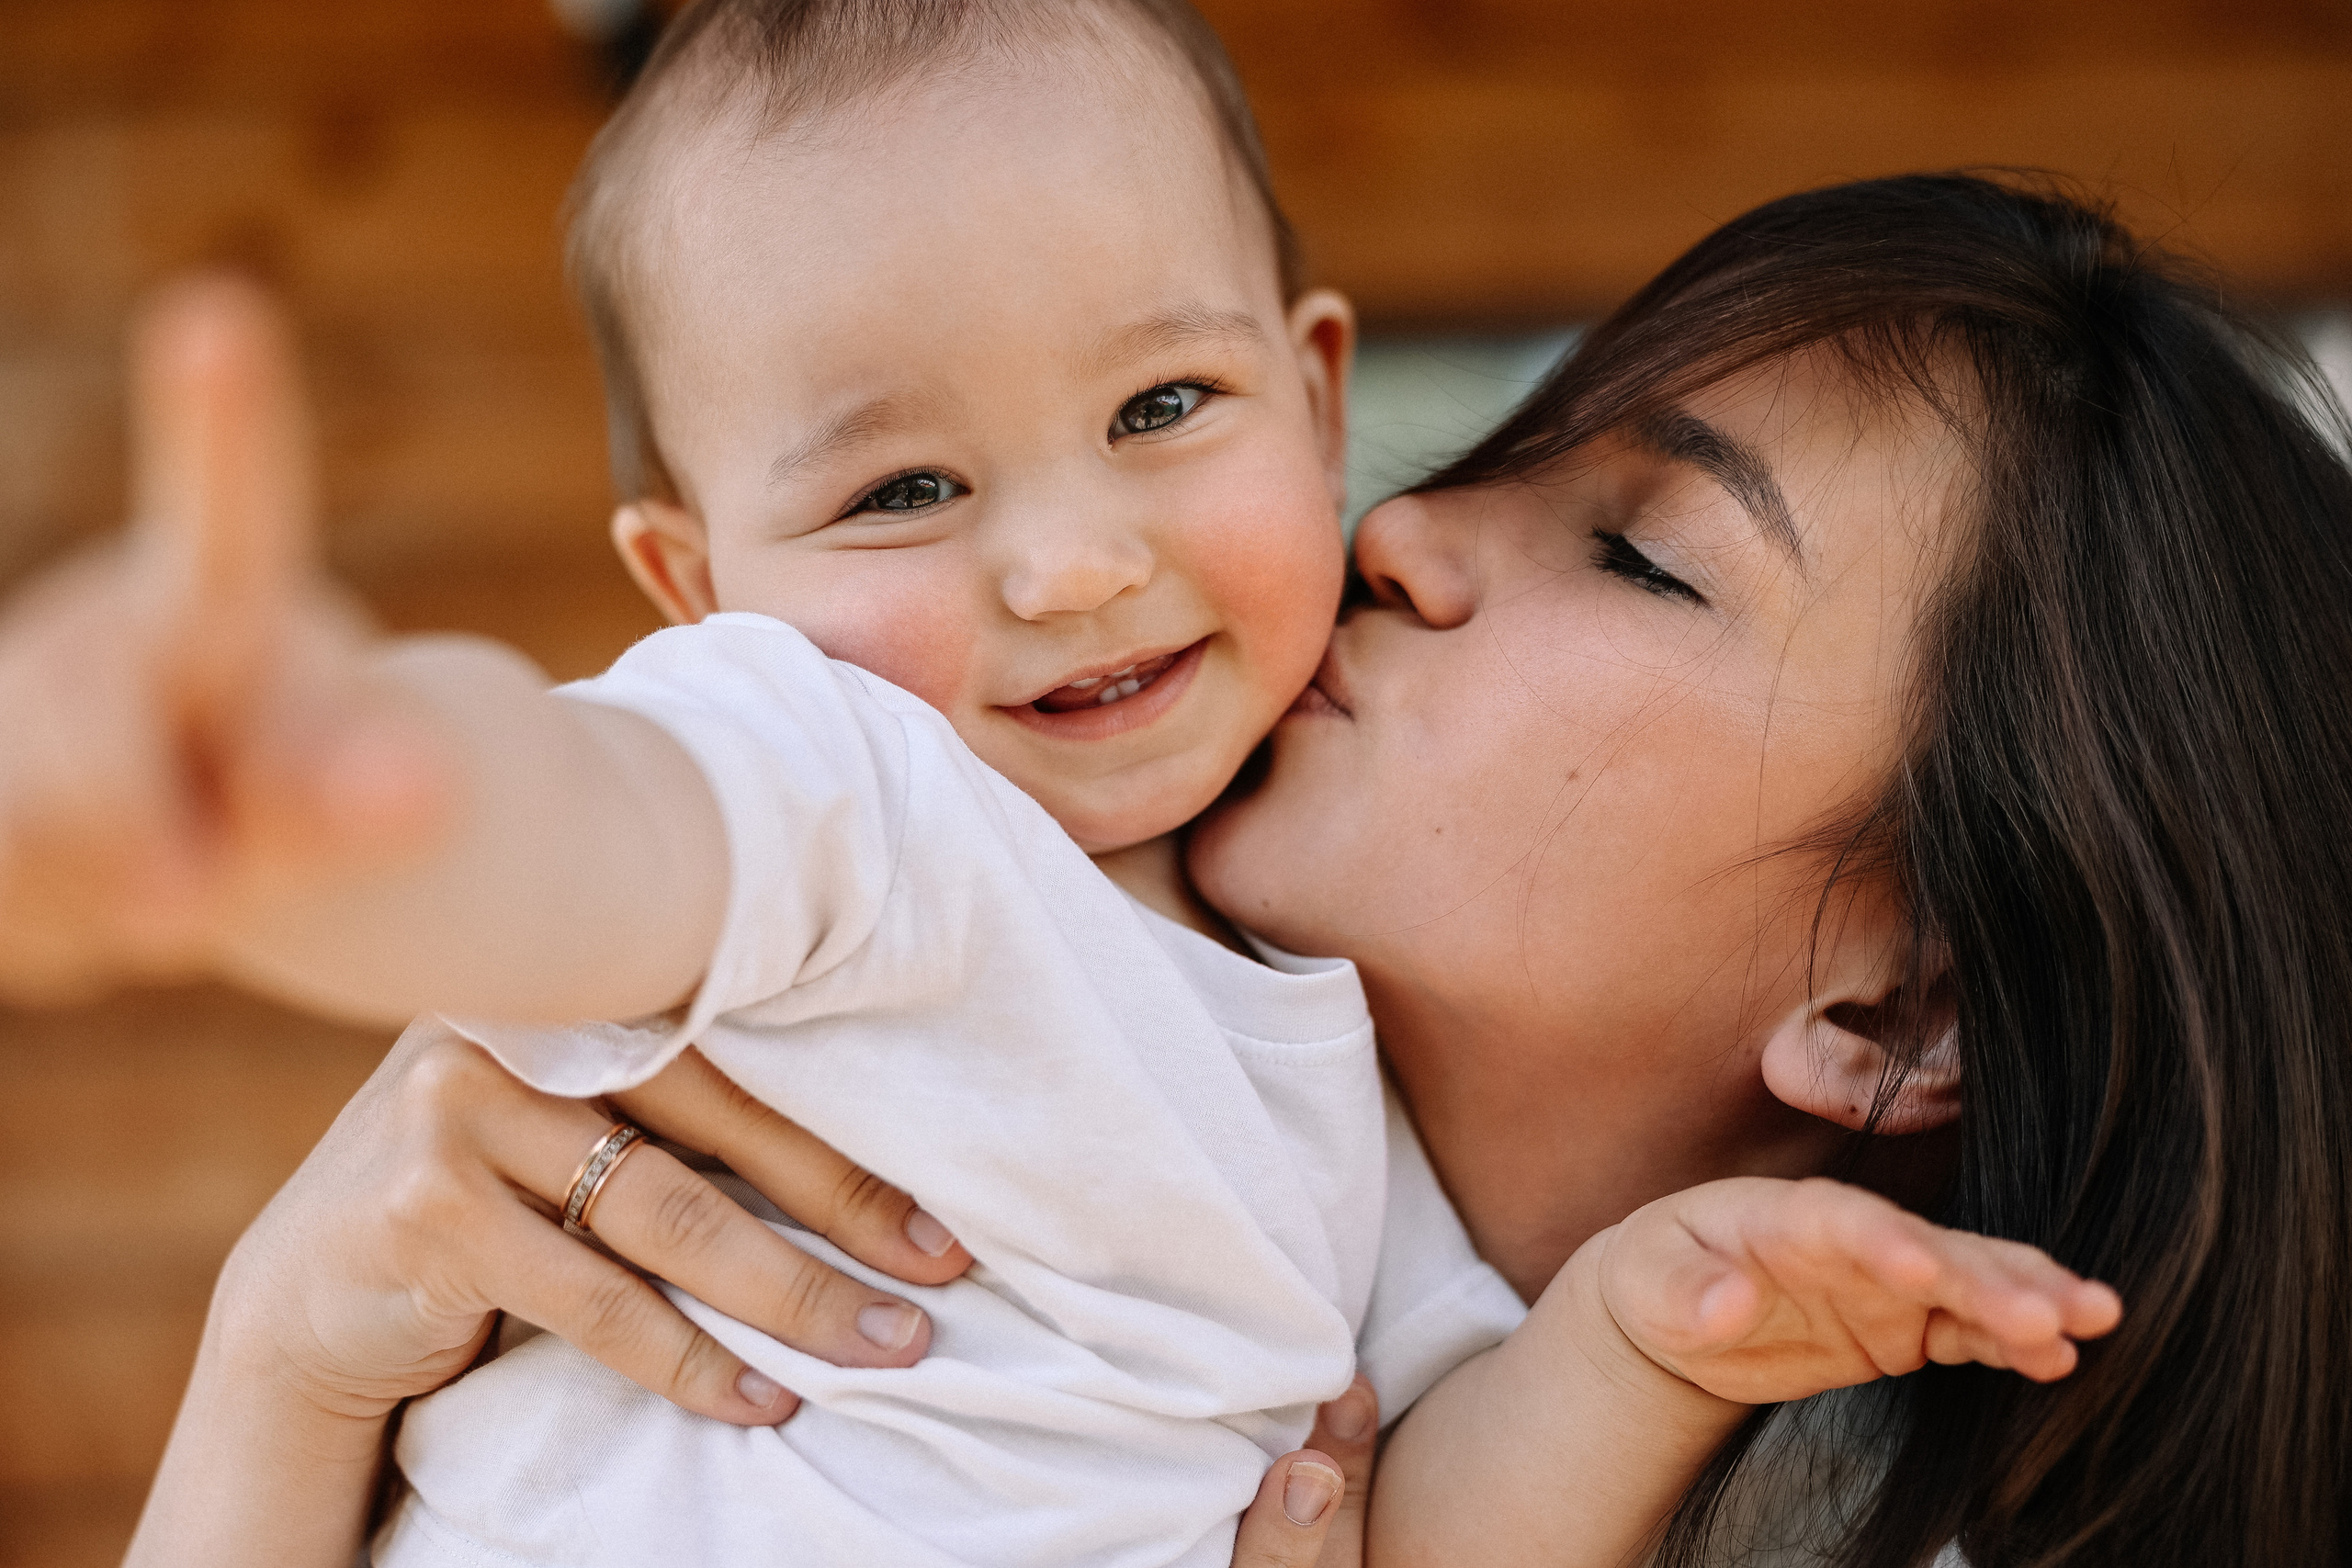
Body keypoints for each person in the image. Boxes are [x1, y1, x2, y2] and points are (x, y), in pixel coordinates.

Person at [0, 0, 2111, 1562]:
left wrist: (1638, 1346)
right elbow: (583, 824)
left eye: (1161, 403)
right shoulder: (851, 802)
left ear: (1315, 390)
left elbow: (1405, 1513)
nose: (1069, 559)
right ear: (698, 583)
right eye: (904, 484)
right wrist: (323, 785)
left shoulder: (1347, 1109)